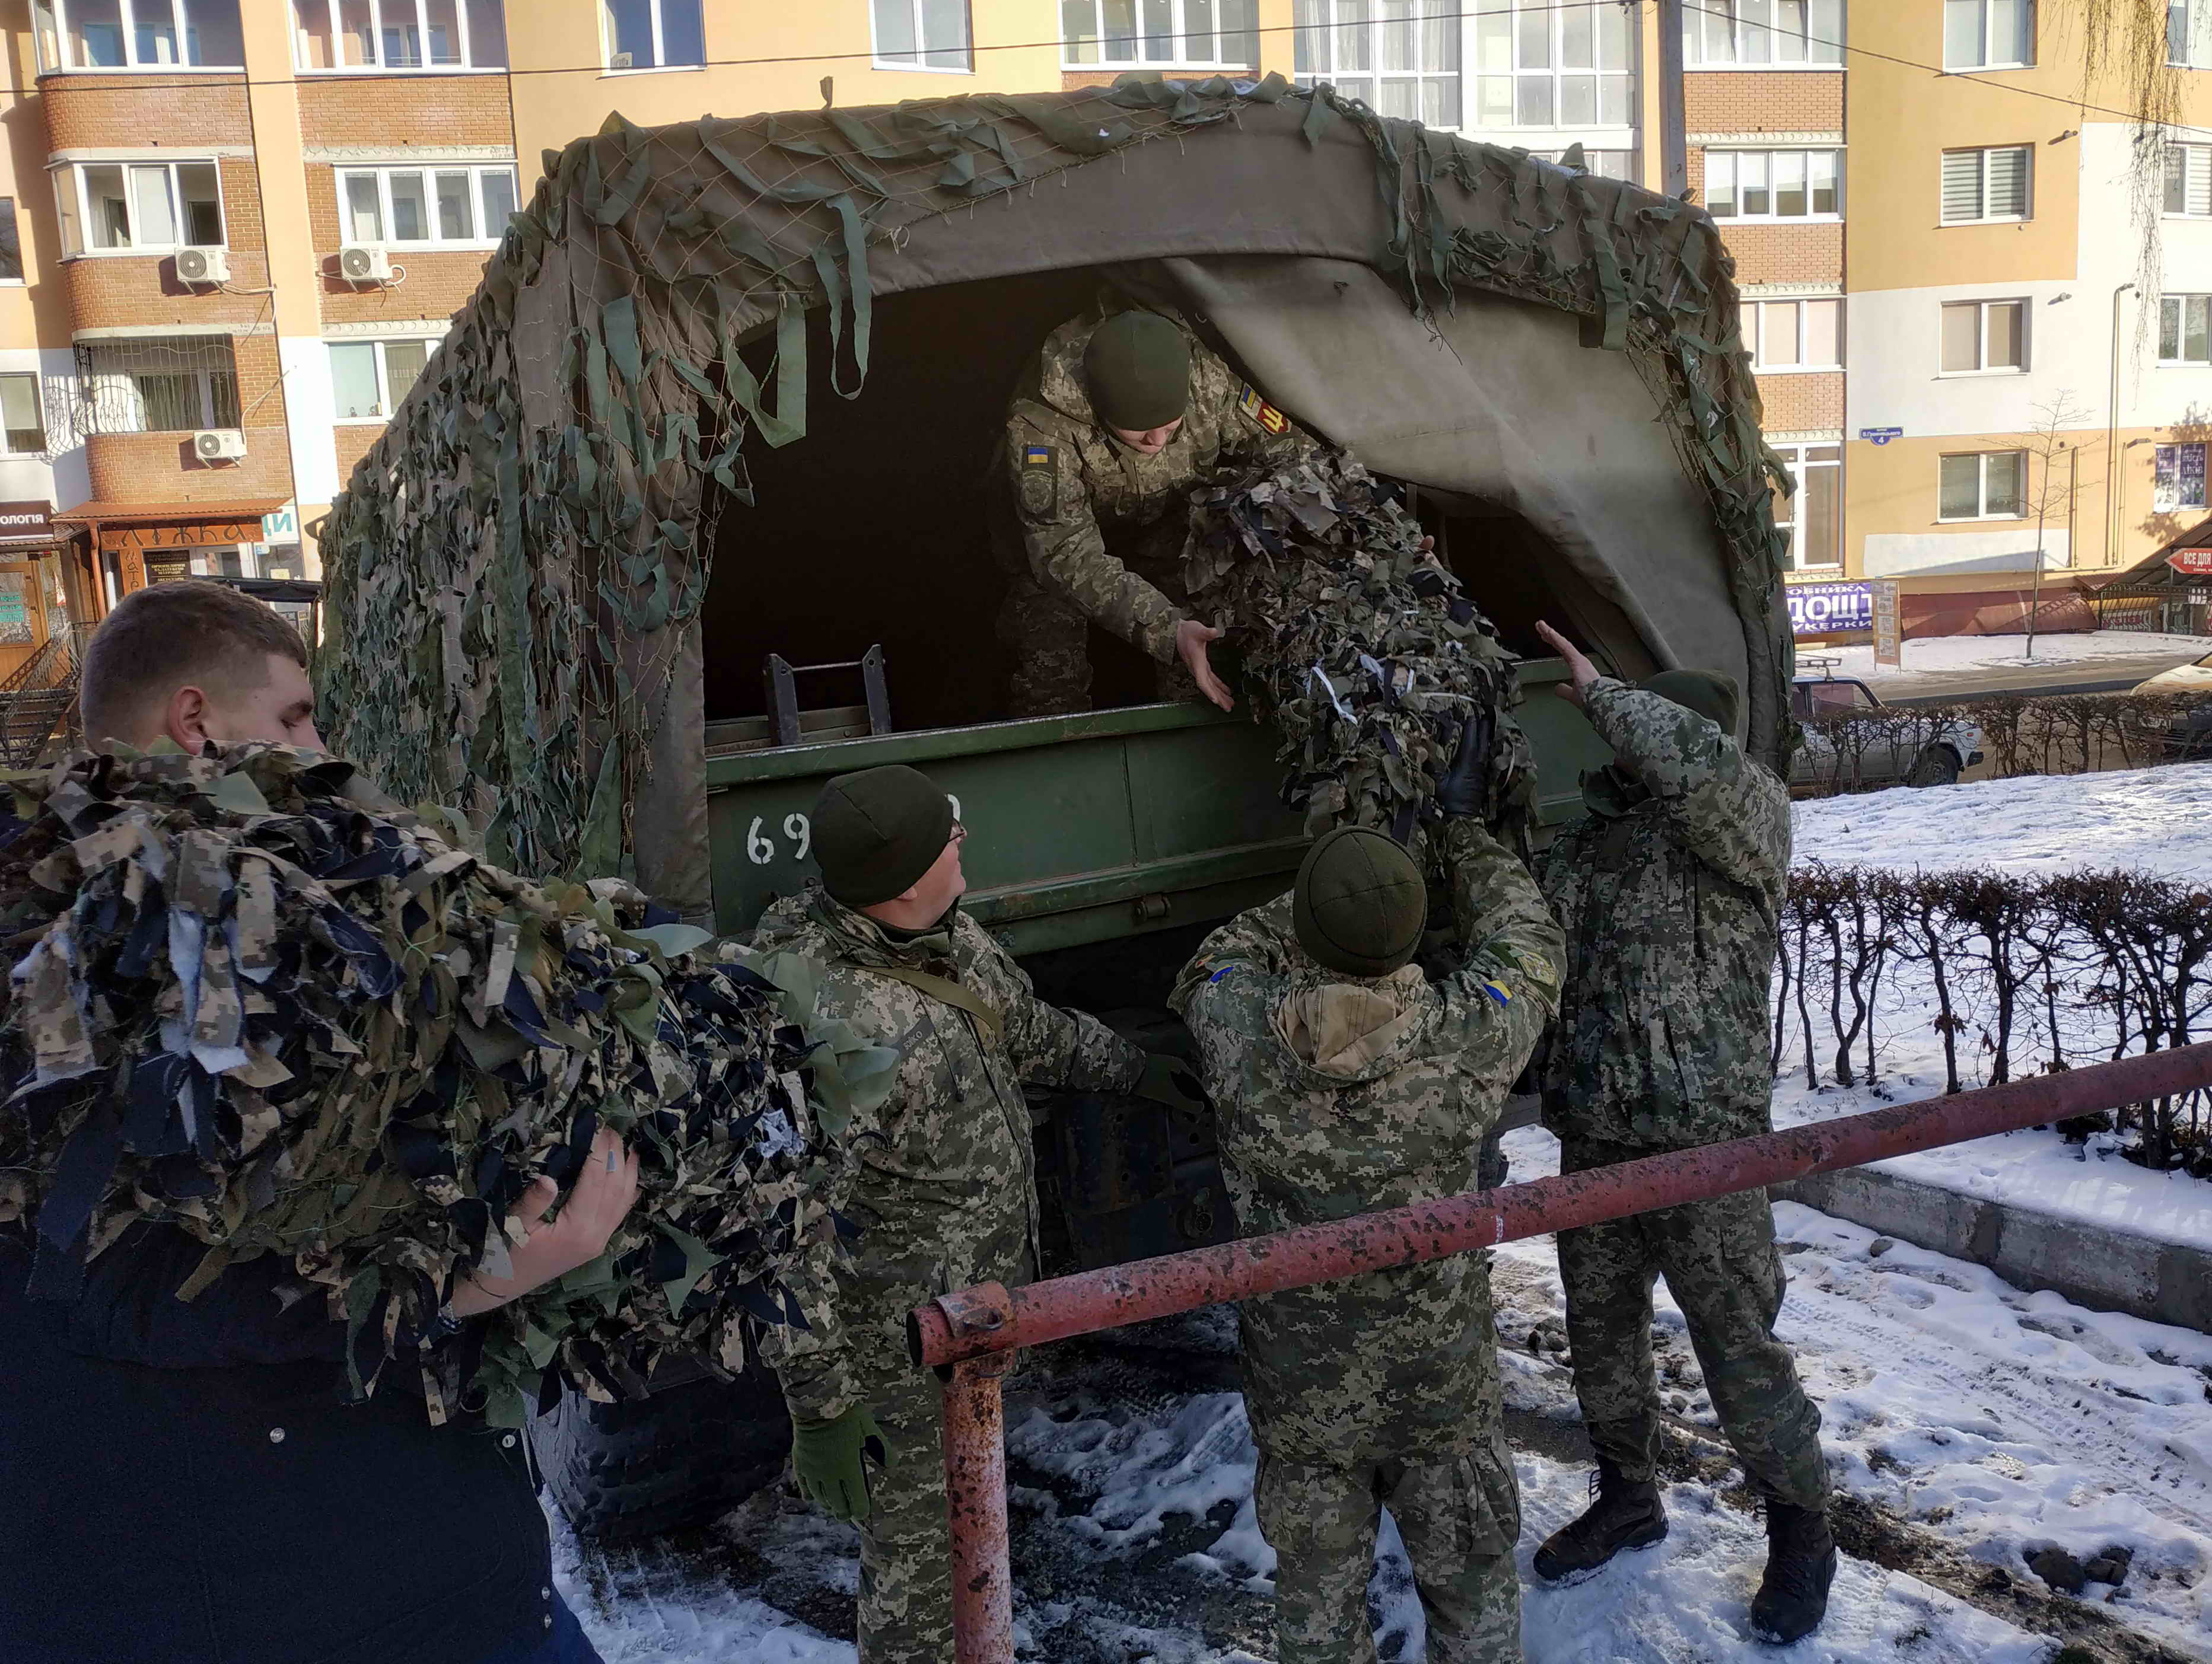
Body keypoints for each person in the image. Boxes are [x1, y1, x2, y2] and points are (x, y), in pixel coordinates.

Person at [1, 579, 640, 1664]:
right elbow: (107, 1279)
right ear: (198, 722)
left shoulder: (262, 914)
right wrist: (472, 1276)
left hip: (411, 1568)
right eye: (297, 716)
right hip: (239, 1598)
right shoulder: (71, 936)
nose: (322, 745)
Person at [746, 763, 1196, 1664]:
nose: (965, 839)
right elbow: (779, 1224)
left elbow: (1023, 1029)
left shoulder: (939, 938)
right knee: (916, 1589)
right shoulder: (839, 1025)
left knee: (969, 1552)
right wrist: (823, 1404)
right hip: (904, 1352)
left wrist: (1138, 1069)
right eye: (948, 836)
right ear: (907, 880)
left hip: (975, 1326)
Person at [1167, 722, 1564, 1664]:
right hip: (1442, 1393)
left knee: (1316, 1615)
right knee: (1472, 1599)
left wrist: (1323, 894)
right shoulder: (1473, 1038)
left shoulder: (1237, 1035)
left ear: (1300, 934)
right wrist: (1457, 834)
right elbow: (1528, 939)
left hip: (1305, 1401)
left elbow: (1213, 960)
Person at [1526, 620, 1835, 1644]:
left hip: (1707, 1150)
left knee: (1739, 1346)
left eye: (1642, 729)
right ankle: (1626, 1492)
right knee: (1600, 1340)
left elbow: (1699, 769)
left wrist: (1603, 694)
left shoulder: (1746, 822)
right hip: (1598, 1143)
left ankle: (1802, 1530)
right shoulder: (1592, 845)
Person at [997, 302, 1316, 716]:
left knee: (1204, 665)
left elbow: (1293, 455)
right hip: (1054, 557)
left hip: (1169, 533)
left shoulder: (1205, 379)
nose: (1155, 442)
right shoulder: (1041, 426)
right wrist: (1168, 630)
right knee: (1050, 674)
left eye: (1169, 427)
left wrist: (1365, 531)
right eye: (1139, 429)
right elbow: (1065, 552)